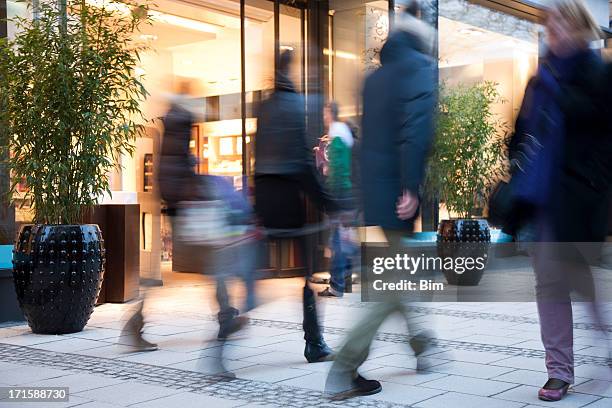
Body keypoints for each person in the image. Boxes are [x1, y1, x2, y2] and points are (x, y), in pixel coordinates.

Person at [325, 1, 437, 397]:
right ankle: (344, 367)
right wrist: (410, 187)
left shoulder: (375, 77)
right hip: (396, 194)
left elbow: (363, 143)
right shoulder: (420, 68)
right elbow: (417, 131)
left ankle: (422, 342)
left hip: (373, 193)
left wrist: (358, 197)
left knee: (395, 273)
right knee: (389, 286)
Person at [508, 0, 611, 401]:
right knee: (549, 280)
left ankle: (603, 339)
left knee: (580, 281)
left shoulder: (597, 72)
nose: (556, 30)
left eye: (563, 22)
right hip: (543, 197)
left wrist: (594, 181)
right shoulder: (541, 75)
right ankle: (559, 371)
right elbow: (521, 128)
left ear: (582, 26)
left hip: (580, 195)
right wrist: (517, 158)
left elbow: (605, 135)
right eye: (551, 23)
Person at [254, 50, 337, 363]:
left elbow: (257, 157)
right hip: (290, 204)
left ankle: (226, 330)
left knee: (252, 277)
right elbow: (302, 164)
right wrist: (329, 203)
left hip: (266, 202)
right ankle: (314, 342)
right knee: (306, 277)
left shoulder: (265, 106)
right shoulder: (294, 105)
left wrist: (256, 205)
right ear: (292, 70)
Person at [318, 101, 356, 298]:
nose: (323, 116)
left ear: (329, 112)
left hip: (340, 194)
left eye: (325, 112)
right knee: (343, 239)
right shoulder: (341, 134)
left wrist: (331, 194)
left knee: (337, 241)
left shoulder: (336, 134)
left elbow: (339, 169)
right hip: (345, 193)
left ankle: (337, 285)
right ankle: (344, 281)